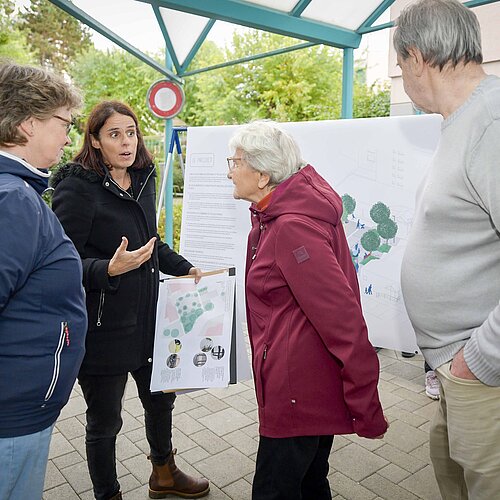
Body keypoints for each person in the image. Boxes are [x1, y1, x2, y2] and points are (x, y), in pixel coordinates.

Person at [50, 101, 209, 500]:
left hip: (151, 322)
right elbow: (61, 262)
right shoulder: (77, 186)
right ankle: (109, 495)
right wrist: (106, 269)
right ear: (95, 141)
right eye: (114, 134)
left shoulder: (143, 177)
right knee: (105, 423)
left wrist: (185, 267)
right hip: (102, 328)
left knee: (160, 403)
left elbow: (149, 245)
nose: (126, 142)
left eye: (132, 133)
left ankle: (165, 475)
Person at [227, 121, 388, 500]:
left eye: (235, 162)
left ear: (263, 175)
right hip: (306, 377)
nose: (230, 171)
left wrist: (365, 397)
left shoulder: (290, 228)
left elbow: (340, 314)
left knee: (275, 489)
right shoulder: (277, 217)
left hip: (297, 386)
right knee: (311, 481)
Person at [396, 1, 500, 498]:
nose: (404, 77)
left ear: (416, 57)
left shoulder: (492, 122)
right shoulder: (466, 121)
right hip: (460, 371)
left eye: (401, 66)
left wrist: (478, 360)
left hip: (481, 374)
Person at [0, 62, 87, 499]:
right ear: (28, 123)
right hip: (11, 419)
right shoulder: (13, 200)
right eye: (64, 123)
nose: (68, 136)